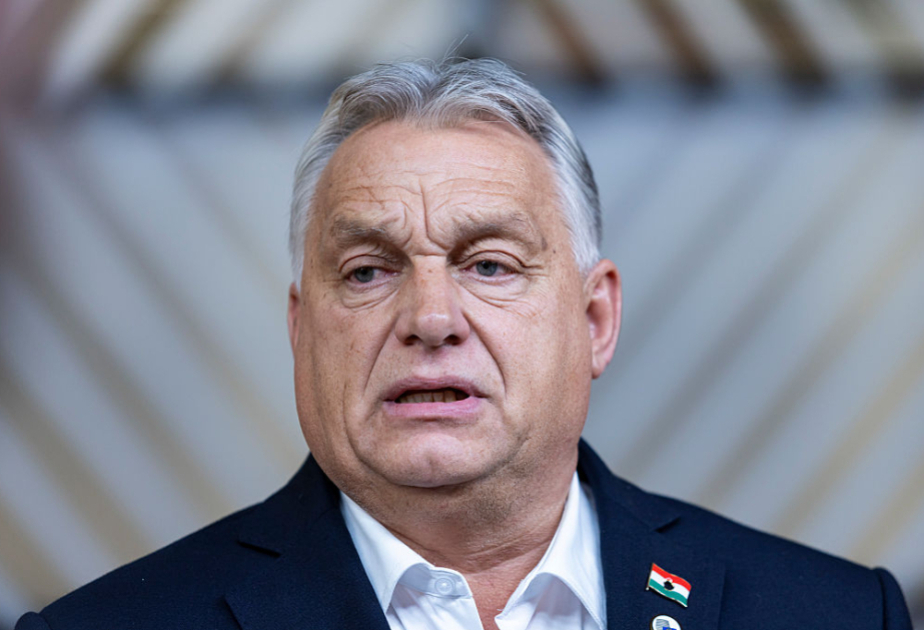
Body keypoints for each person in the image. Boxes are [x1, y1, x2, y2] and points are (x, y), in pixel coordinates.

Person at [16, 58, 911, 630]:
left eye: (489, 264)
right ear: (300, 329)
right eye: (368, 271)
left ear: (595, 321)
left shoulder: (832, 615)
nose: (431, 316)